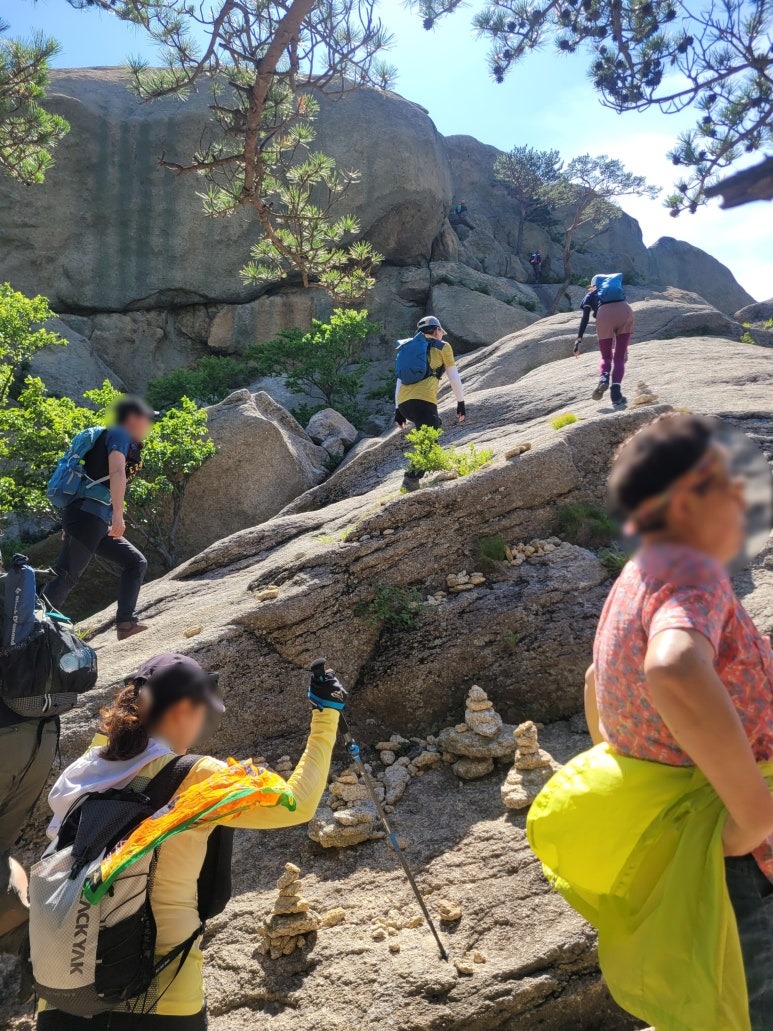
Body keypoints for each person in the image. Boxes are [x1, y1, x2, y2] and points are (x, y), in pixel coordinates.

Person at [36, 651, 345, 1029]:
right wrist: (326, 713)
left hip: (64, 992)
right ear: (183, 708)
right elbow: (297, 804)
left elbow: (109, 739)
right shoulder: (195, 776)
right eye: (203, 714)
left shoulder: (80, 772)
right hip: (161, 998)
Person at [582, 414, 772, 1027]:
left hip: (691, 844)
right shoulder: (694, 572)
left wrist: (643, 785)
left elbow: (595, 686)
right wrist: (753, 817)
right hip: (738, 858)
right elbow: (673, 667)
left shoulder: (636, 577)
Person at [44, 396, 155, 641]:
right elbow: (116, 471)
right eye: (146, 419)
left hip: (90, 517)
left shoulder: (116, 436)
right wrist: (118, 513)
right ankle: (31, 628)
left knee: (135, 562)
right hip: (88, 515)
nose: (149, 424)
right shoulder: (119, 434)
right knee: (67, 574)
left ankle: (126, 623)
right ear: (132, 418)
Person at [394, 316, 466, 492]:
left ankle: (415, 479)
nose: (442, 335)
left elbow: (399, 381)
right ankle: (410, 480)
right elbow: (454, 377)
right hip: (424, 401)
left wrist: (398, 411)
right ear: (436, 331)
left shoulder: (407, 348)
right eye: (441, 331)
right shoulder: (443, 347)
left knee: (430, 432)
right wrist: (461, 403)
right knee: (429, 443)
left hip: (405, 403)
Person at [574, 278, 635, 409]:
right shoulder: (617, 291)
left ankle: (604, 378)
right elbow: (622, 302)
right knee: (619, 358)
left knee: (606, 357)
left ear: (593, 284)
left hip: (604, 315)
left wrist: (579, 339)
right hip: (625, 310)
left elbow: (585, 317)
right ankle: (616, 394)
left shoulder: (590, 295)